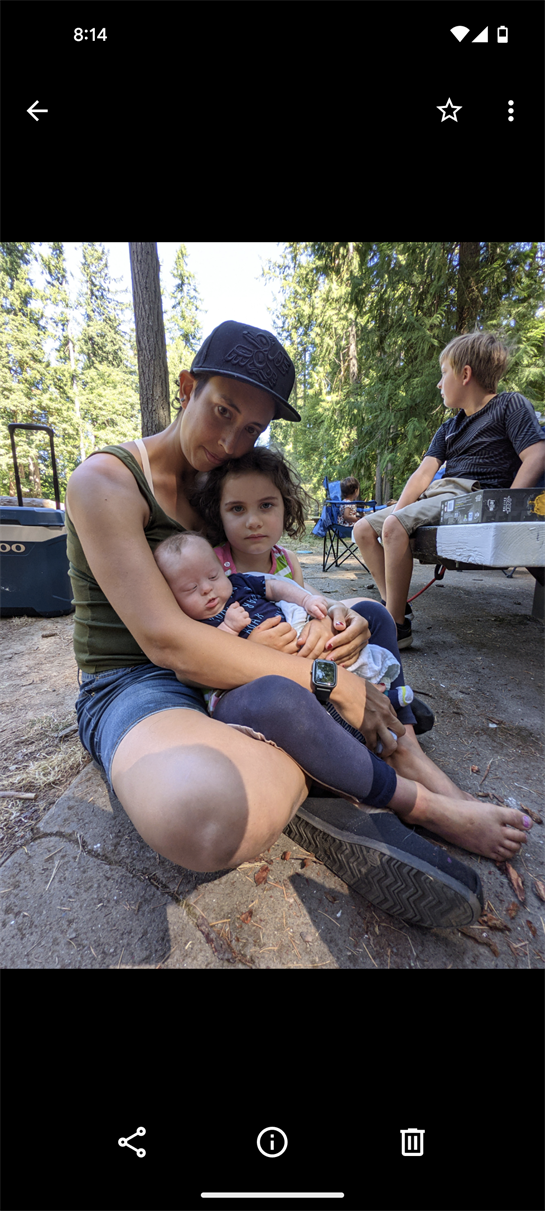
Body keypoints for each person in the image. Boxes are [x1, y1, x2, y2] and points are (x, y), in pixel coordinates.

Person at [65, 320, 533, 930]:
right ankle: (383, 789)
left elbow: (264, 580)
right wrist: (328, 680)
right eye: (222, 411)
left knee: (366, 615)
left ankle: (345, 763)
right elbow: (167, 642)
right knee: (203, 815)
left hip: (245, 661)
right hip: (140, 683)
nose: (233, 440)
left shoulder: (222, 483)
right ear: (187, 388)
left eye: (252, 428)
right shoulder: (106, 482)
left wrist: (332, 621)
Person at [353, 330, 545, 649]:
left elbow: (536, 454)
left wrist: (509, 506)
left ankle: (397, 627)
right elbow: (423, 474)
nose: (439, 384)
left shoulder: (510, 405)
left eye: (443, 374)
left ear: (465, 374)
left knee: (393, 526)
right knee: (362, 529)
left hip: (470, 495)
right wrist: (400, 510)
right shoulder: (449, 427)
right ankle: (395, 606)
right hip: (440, 493)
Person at [152, 530, 404, 721]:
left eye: (213, 576)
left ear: (222, 569)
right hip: (256, 675)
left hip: (301, 648)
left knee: (351, 654)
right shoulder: (196, 623)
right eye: (191, 588)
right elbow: (206, 656)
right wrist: (230, 631)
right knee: (309, 699)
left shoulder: (240, 583)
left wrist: (307, 600)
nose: (207, 588)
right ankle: (359, 717)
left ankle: (386, 698)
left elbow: (274, 586)